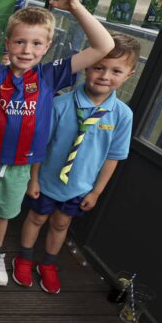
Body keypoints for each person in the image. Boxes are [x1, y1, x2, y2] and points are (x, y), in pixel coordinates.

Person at [0, 0, 115, 286]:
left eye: (35, 44)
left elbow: (104, 46)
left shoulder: (50, 75)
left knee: (3, 215)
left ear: (46, 47)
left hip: (19, 168)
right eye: (19, 42)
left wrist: (75, 7)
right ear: (8, 44)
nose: (26, 50)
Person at [18, 34, 138, 293]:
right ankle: (24, 257)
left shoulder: (122, 116)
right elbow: (41, 146)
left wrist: (95, 192)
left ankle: (48, 264)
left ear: (129, 75)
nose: (105, 76)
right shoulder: (59, 104)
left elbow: (113, 157)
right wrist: (34, 178)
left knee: (61, 223)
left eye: (116, 71)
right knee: (37, 217)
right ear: (87, 65)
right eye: (98, 67)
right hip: (47, 181)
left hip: (80, 187)